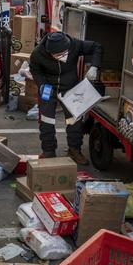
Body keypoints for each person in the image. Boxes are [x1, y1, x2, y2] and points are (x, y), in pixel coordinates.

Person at [29, 31, 103, 165]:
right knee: (46, 121)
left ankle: (74, 150)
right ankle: (49, 151)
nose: (61, 56)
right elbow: (35, 69)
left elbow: (97, 47)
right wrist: (41, 84)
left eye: (63, 53)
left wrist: (94, 66)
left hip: (70, 87)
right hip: (48, 87)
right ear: (48, 52)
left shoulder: (74, 44)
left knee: (74, 120)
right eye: (57, 55)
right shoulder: (38, 53)